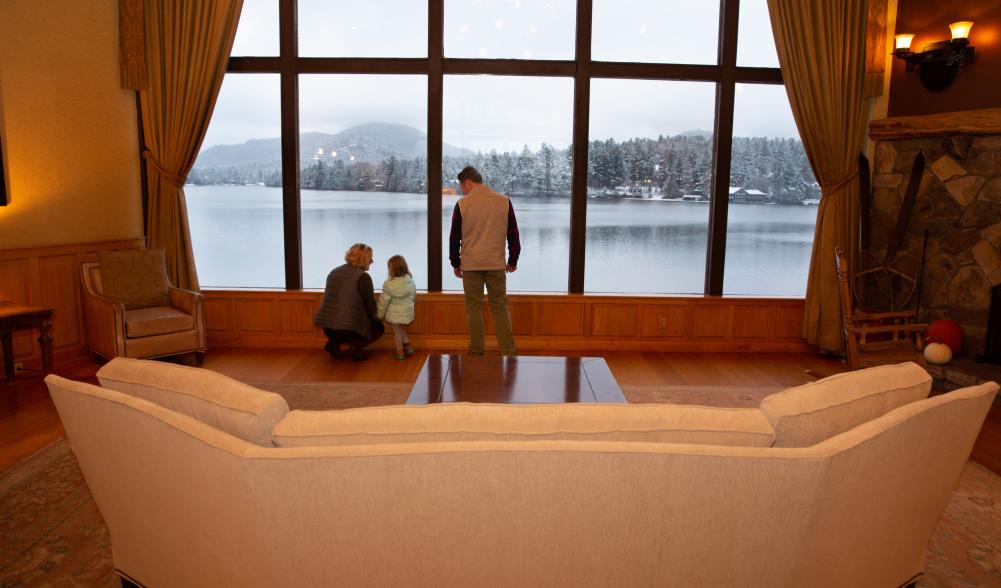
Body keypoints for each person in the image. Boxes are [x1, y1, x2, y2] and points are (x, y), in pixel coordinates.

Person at [448, 165, 520, 356]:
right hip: (496, 264)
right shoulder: (504, 201)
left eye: (462, 186)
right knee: (500, 307)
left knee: (474, 309)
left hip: (471, 265)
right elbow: (513, 235)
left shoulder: (462, 205)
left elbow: (454, 237)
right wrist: (512, 260)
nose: (461, 190)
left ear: (469, 182)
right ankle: (508, 350)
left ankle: (476, 350)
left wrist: (455, 263)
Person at [314, 243, 384, 361]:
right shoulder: (363, 277)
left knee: (342, 321)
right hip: (349, 330)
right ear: (363, 259)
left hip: (328, 328)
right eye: (370, 258)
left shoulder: (334, 272)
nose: (372, 261)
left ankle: (334, 343)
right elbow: (371, 309)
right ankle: (356, 348)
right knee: (379, 327)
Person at [376, 254, 416, 360]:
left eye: (389, 267)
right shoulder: (410, 282)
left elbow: (383, 302)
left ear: (393, 269)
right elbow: (413, 298)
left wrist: (379, 315)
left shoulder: (388, 285)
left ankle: (400, 352)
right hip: (407, 313)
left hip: (394, 315)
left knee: (397, 333)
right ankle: (408, 347)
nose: (388, 270)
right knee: (401, 331)